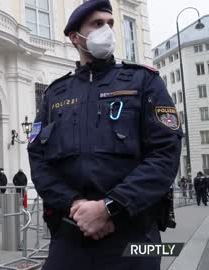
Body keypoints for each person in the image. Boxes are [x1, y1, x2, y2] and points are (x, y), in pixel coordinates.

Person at [27, 1, 182, 269]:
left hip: (135, 235)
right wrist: (75, 205)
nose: (107, 30)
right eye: (97, 24)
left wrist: (109, 208)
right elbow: (38, 160)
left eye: (110, 23)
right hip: (71, 235)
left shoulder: (144, 82)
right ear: (75, 37)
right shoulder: (55, 94)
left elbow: (165, 154)